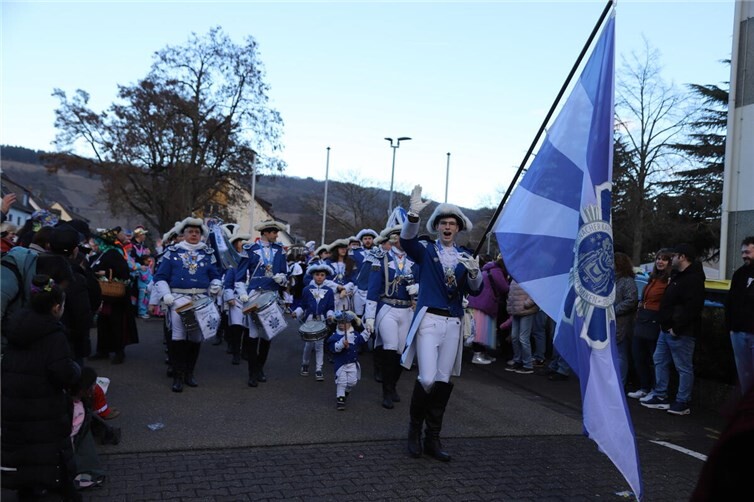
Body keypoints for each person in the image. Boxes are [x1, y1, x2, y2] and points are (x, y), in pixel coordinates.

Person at [400, 185, 483, 462]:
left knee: (443, 380)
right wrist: (413, 216)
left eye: (452, 224)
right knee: (426, 378)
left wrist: (475, 274)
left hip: (453, 323)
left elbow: (475, 291)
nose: (448, 227)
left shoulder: (466, 255)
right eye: (443, 223)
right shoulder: (426, 250)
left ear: (458, 228)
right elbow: (407, 242)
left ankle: (432, 437)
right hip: (430, 319)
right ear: (437, 226)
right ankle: (414, 430)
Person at [2, 274, 82, 501]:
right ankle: (62, 490)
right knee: (52, 449)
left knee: (22, 449)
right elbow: (64, 373)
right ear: (56, 307)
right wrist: (76, 371)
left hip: (14, 401)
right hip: (45, 403)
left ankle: (26, 489)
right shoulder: (53, 335)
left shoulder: (17, 326)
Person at [153, 217, 223, 392]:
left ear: (201, 235)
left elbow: (215, 275)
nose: (194, 235)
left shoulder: (207, 253)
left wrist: (216, 284)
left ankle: (189, 373)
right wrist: (166, 294)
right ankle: (178, 376)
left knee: (196, 337)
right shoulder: (172, 252)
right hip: (178, 299)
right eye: (190, 232)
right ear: (183, 234)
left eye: (197, 232)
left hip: (201, 300)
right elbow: (160, 277)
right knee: (178, 336)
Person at [642, 243, 705, 415]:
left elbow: (693, 307)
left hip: (681, 331)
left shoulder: (693, 279)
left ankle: (682, 401)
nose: (672, 259)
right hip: (667, 328)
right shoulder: (678, 276)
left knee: (683, 367)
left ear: (682, 257)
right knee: (659, 359)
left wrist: (677, 327)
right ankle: (660, 395)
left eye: (674, 256)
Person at [364, 224, 418, 409]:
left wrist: (418, 288)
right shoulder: (381, 259)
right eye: (398, 236)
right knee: (390, 346)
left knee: (401, 351)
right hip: (387, 308)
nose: (401, 240)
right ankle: (386, 391)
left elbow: (424, 282)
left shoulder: (414, 260)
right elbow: (372, 289)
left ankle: (393, 385)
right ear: (392, 239)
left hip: (407, 310)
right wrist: (370, 317)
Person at [234, 219, 288, 387]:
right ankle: (252, 372)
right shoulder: (250, 249)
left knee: (267, 334)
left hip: (271, 295)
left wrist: (281, 278)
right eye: (274, 232)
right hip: (254, 295)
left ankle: (260, 368)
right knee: (253, 333)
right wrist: (242, 293)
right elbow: (239, 276)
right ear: (265, 232)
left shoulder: (280, 250)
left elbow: (285, 274)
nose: (276, 235)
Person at [89, 227, 139, 364]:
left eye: (98, 242)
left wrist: (105, 273)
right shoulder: (103, 254)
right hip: (105, 295)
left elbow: (124, 272)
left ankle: (119, 351)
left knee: (116, 323)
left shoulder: (113, 253)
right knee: (103, 323)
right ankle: (103, 350)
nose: (96, 244)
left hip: (116, 297)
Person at [628, 249, 672, 399]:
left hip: (654, 320)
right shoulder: (653, 278)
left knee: (655, 357)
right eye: (658, 258)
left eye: (664, 259)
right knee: (638, 355)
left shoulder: (669, 280)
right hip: (642, 318)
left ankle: (656, 389)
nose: (660, 261)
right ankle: (644, 387)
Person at [293, 262, 335, 381]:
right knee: (308, 344)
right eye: (317, 274)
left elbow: (330, 307)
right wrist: (296, 312)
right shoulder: (306, 289)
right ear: (313, 275)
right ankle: (305, 363)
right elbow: (302, 305)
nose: (319, 277)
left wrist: (330, 315)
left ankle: (319, 369)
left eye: (322, 275)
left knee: (320, 345)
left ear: (325, 276)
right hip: (310, 319)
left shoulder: (329, 291)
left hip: (322, 320)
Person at [725, 236, 754, 396]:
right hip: (738, 332)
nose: (744, 256)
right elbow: (730, 302)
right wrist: (730, 328)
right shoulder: (739, 274)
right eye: (742, 252)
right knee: (744, 375)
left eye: (747, 252)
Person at [467, 254, 509, 365]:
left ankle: (482, 353)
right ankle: (477, 354)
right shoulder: (497, 272)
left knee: (480, 329)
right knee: (480, 331)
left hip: (478, 301)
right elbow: (505, 288)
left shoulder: (489, 269)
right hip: (483, 302)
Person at [326, 310, 370, 410]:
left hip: (352, 363)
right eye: (339, 322)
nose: (341, 324)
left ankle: (346, 392)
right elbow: (333, 348)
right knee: (341, 382)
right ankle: (340, 400)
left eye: (344, 322)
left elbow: (362, 339)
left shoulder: (355, 334)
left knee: (352, 382)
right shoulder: (335, 336)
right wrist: (341, 344)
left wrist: (367, 330)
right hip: (340, 364)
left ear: (350, 323)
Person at [613, 252, 638, 389]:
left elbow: (631, 300)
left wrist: (613, 310)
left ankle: (620, 383)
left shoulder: (627, 281)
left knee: (621, 353)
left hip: (622, 323)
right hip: (613, 321)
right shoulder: (613, 280)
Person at [505, 279, 540, 375]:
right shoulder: (515, 277)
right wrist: (510, 307)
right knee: (515, 337)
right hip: (516, 311)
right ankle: (518, 361)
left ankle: (527, 365)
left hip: (526, 311)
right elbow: (510, 295)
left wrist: (527, 304)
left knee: (523, 338)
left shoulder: (529, 277)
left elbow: (535, 293)